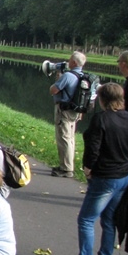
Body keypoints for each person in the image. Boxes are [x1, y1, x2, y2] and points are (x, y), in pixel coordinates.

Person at [60, 83, 128, 255]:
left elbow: (93, 148)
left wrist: (88, 168)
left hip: (105, 177)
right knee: (109, 221)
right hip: (124, 176)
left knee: (86, 220)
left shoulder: (101, 119)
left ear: (103, 99)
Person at [49, 51, 86, 179]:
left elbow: (53, 90)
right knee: (70, 138)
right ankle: (68, 166)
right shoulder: (83, 76)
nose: (68, 62)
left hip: (64, 111)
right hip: (75, 111)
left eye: (70, 60)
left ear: (74, 62)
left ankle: (66, 168)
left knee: (63, 138)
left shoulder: (68, 76)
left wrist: (58, 79)